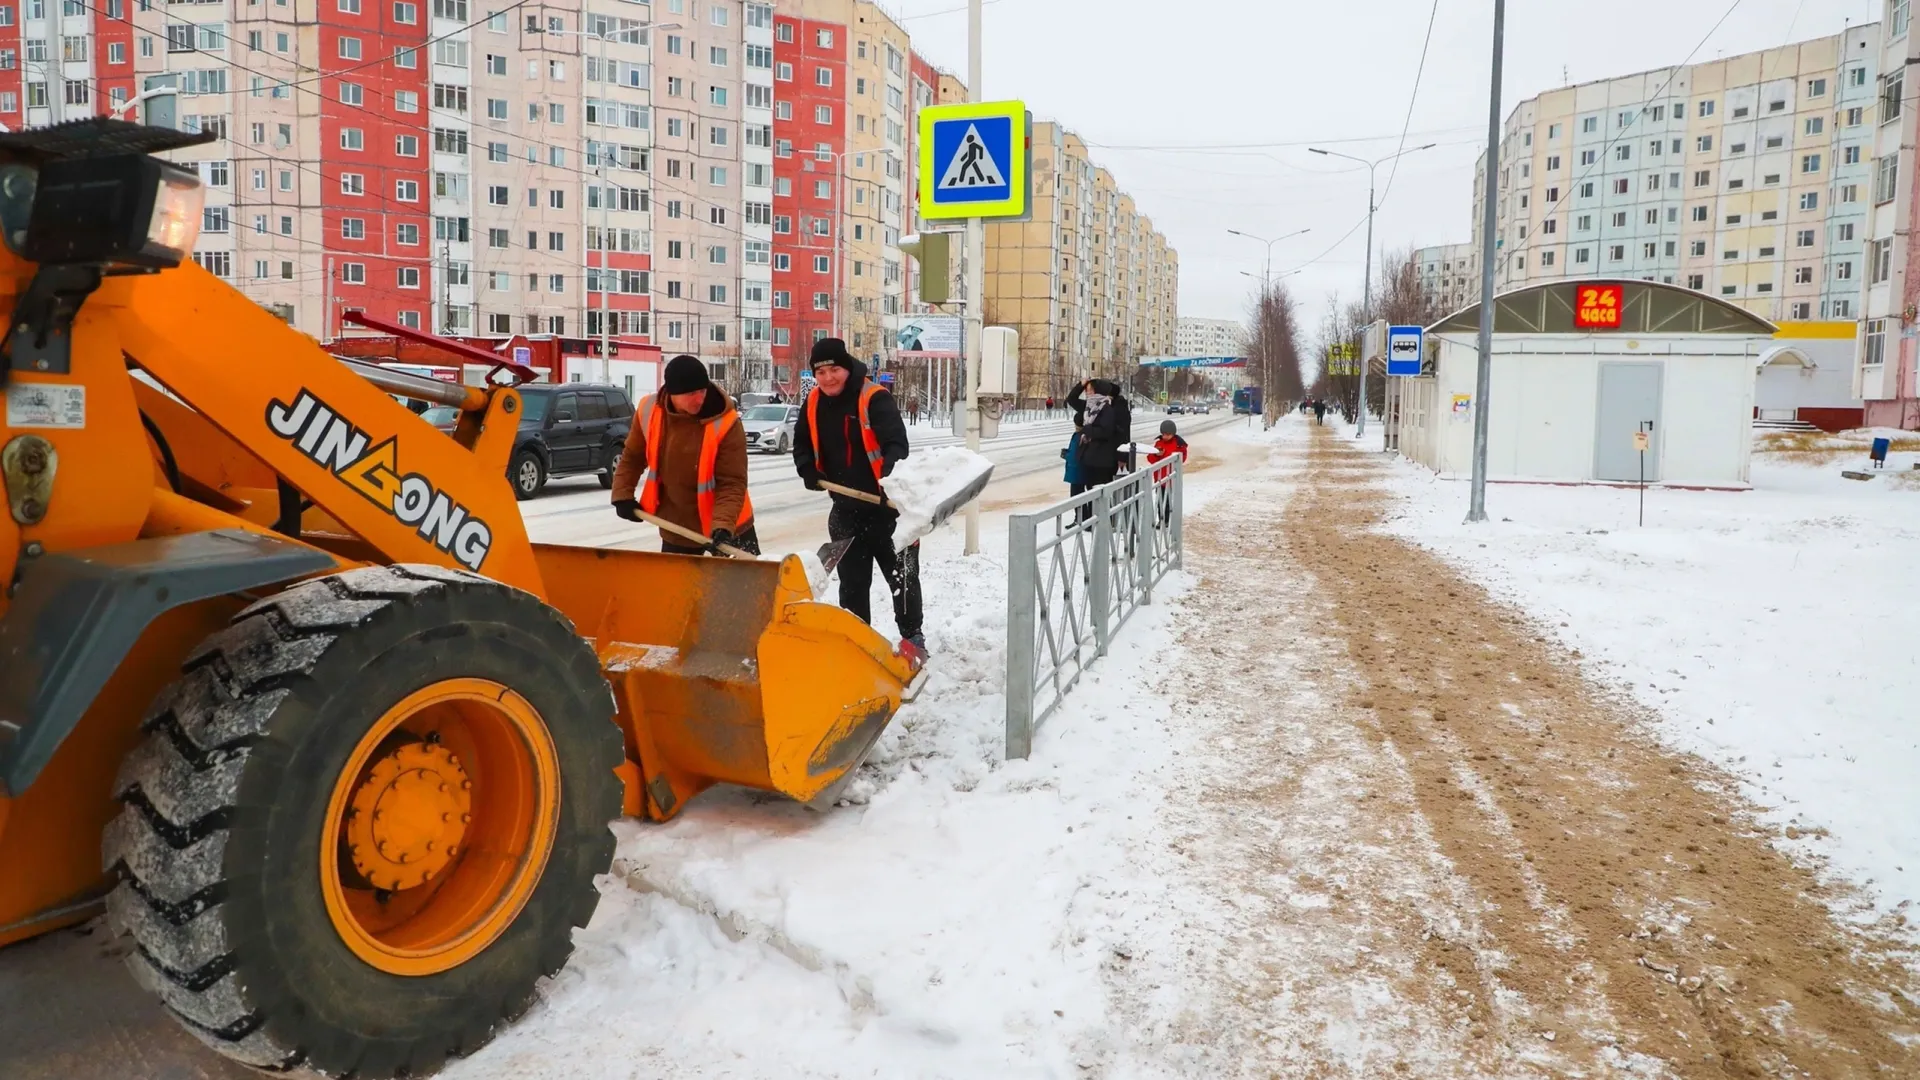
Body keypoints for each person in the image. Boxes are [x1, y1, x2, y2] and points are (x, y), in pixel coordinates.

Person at [792, 338, 926, 667]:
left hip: (888, 511)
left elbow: (897, 444)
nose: (827, 378)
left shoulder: (873, 398)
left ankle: (913, 638)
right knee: (852, 585)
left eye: (834, 369)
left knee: (902, 579)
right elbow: (802, 443)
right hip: (845, 510)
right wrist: (807, 468)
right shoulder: (812, 403)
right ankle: (858, 644)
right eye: (820, 371)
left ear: (847, 367)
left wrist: (888, 476)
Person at [610, 354, 759, 556]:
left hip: (729, 525)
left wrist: (723, 525)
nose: (699, 399)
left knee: (746, 586)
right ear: (672, 393)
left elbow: (732, 482)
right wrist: (622, 495)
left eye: (702, 390)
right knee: (678, 586)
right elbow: (632, 457)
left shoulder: (726, 421)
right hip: (678, 525)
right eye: (690, 394)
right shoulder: (649, 411)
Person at [1147, 419, 1190, 527]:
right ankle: (1162, 520)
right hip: (1160, 478)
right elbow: (1150, 458)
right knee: (1160, 501)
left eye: (1168, 434)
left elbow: (1181, 459)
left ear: (1173, 434)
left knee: (1171, 501)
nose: (1165, 436)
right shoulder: (1159, 443)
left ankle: (1172, 520)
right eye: (1163, 434)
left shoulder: (1179, 444)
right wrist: (1156, 455)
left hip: (1172, 478)